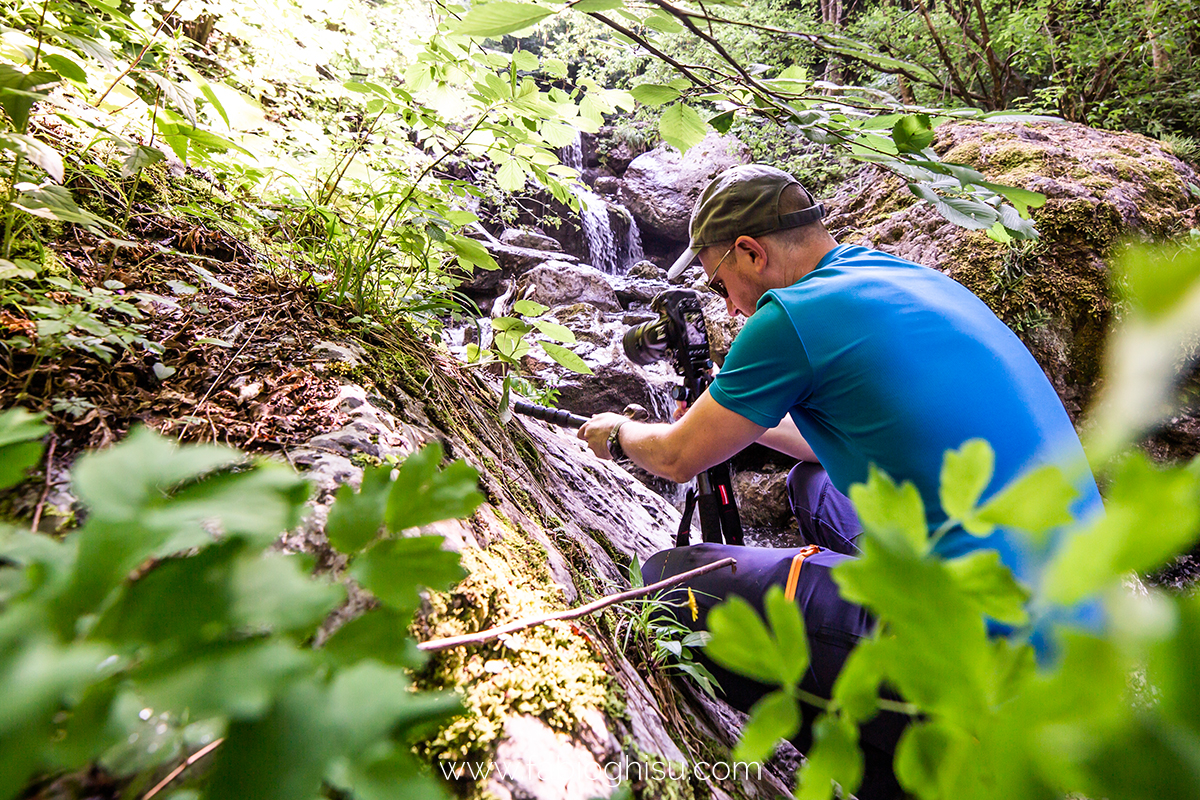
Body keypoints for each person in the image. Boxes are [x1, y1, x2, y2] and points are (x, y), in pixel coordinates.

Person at [576, 164, 1103, 797]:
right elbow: (824, 432)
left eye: (722, 283)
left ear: (750, 251)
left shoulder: (791, 315)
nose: (730, 306)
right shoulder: (895, 275)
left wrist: (616, 432)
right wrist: (745, 419)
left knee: (668, 585)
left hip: (977, 646)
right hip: (1077, 625)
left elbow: (677, 458)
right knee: (813, 484)